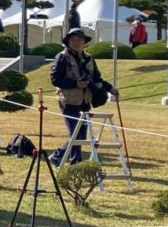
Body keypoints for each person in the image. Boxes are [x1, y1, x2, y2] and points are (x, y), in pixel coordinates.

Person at [50, 28, 118, 165]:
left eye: (79, 39)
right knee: (76, 133)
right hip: (68, 101)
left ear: (84, 42)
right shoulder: (62, 57)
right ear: (68, 41)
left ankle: (70, 159)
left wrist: (110, 88)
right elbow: (55, 80)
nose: (76, 42)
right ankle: (63, 157)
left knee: (81, 135)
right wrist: (76, 84)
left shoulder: (89, 58)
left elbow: (97, 78)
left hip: (85, 101)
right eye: (73, 39)